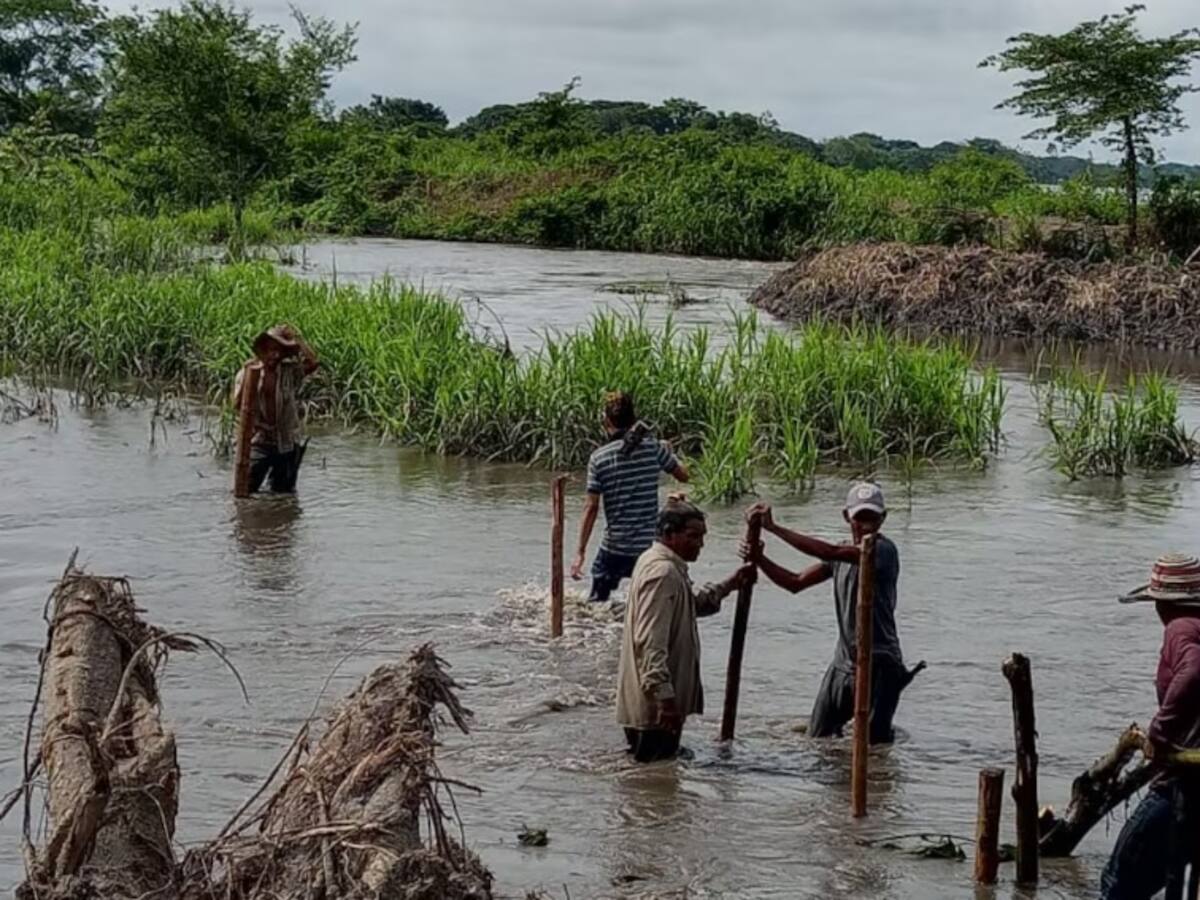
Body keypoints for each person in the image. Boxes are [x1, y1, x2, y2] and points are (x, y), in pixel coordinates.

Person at [741, 482, 911, 744]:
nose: (865, 526)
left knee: (873, 749)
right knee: (817, 738)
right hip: (844, 663)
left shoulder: (883, 550)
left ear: (883, 519)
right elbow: (795, 582)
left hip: (880, 664)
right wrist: (760, 559)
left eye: (872, 519)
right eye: (859, 518)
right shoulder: (840, 557)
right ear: (847, 517)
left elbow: (830, 551)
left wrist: (774, 528)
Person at [616, 498, 752, 762]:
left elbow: (688, 605)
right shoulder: (663, 572)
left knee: (647, 779)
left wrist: (729, 585)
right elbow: (650, 642)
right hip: (654, 707)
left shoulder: (657, 562)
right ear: (669, 534)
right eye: (693, 536)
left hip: (649, 701)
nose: (700, 544)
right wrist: (665, 700)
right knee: (655, 783)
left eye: (702, 537)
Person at [1101, 553, 1200, 899]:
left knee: (1119, 881)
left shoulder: (1181, 627)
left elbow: (1193, 673)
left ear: (1162, 603)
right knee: (1183, 883)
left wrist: (1159, 731)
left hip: (1181, 784)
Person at [570, 391, 689, 602]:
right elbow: (683, 476)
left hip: (614, 548)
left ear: (606, 421)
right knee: (648, 601)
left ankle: (593, 633)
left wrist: (580, 552)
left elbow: (591, 508)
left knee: (597, 604)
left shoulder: (598, 458)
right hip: (648, 548)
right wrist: (669, 451)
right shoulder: (653, 448)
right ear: (634, 419)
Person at [232, 324, 319, 494]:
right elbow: (237, 405)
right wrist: (258, 425)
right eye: (271, 350)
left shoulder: (288, 372)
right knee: (245, 490)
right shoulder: (248, 372)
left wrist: (297, 341)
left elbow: (313, 363)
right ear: (262, 350)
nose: (275, 355)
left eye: (279, 350)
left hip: (286, 441)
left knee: (284, 493)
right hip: (259, 440)